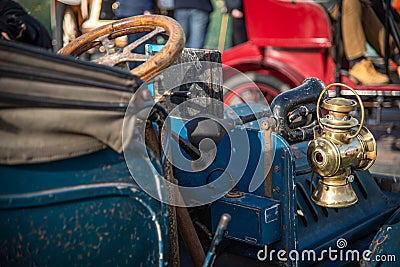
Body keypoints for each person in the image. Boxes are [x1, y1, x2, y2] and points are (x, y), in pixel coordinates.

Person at [319, 0, 400, 85]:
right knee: (351, 2)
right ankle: (357, 63)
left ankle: (397, 56)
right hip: (324, 4)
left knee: (364, 5)